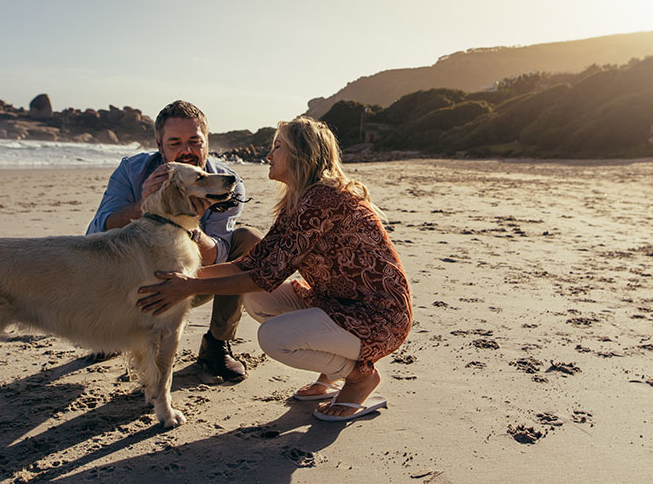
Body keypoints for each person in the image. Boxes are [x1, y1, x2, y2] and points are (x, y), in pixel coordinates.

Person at [137, 117, 412, 422]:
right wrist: (185, 277)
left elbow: (263, 277)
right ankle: (333, 370)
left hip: (378, 318)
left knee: (274, 338)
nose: (269, 155)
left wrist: (188, 287)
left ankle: (360, 377)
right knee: (256, 300)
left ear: (300, 155)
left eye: (277, 147)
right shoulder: (300, 199)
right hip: (337, 304)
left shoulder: (322, 199)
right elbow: (252, 262)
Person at [87, 100, 261, 381]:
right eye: (175, 142)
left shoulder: (225, 183)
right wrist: (145, 202)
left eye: (194, 141)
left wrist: (191, 225)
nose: (186, 151)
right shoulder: (132, 171)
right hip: (130, 280)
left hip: (188, 279)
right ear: (159, 145)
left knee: (248, 240)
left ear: (207, 140)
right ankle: (113, 332)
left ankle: (216, 344)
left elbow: (218, 256)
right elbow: (97, 232)